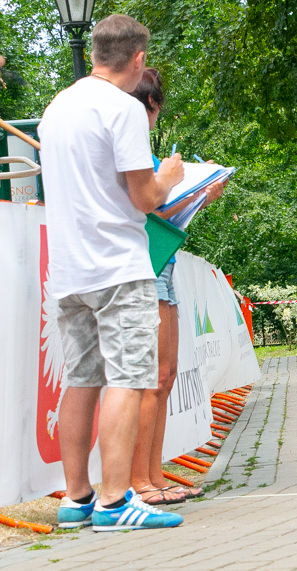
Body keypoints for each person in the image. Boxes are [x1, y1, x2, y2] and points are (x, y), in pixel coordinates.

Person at [38, 14, 184, 531]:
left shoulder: (57, 106)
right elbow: (143, 197)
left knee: (81, 381)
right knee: (128, 379)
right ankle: (116, 501)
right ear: (139, 58)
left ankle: (76, 499)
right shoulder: (121, 109)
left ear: (98, 51)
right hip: (118, 265)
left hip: (69, 269)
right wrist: (168, 178)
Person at [128, 68, 224, 505]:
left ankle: (154, 474)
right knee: (149, 380)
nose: (153, 114)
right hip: (141, 267)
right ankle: (138, 481)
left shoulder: (145, 153)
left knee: (165, 377)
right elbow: (150, 210)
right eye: (154, 105)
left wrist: (196, 196)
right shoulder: (132, 155)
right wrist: (196, 195)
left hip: (163, 266)